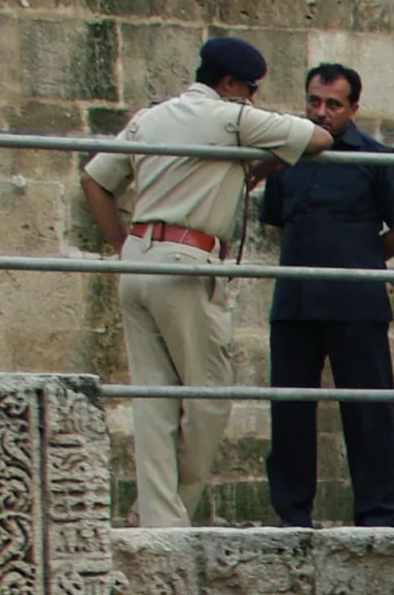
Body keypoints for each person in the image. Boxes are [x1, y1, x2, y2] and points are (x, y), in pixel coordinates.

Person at [79, 34, 324, 525]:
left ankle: (156, 520)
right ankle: (172, 509)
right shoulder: (228, 117)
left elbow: (95, 179)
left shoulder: (151, 117)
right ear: (230, 83)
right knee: (211, 395)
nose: (252, 98)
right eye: (250, 88)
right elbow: (316, 137)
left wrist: (122, 246)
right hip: (186, 262)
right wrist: (264, 155)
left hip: (140, 259)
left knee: (155, 401)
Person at [258, 62, 394, 528]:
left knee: (368, 410)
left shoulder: (375, 156)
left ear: (353, 108)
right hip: (295, 300)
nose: (321, 112)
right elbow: (277, 222)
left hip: (356, 302)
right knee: (289, 410)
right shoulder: (287, 159)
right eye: (314, 101)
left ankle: (378, 517)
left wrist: (362, 262)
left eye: (332, 104)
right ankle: (292, 515)